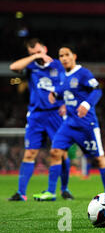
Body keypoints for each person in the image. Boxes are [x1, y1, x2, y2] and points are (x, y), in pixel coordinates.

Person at [33, 45, 105, 201]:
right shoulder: (63, 75)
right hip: (68, 124)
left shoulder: (83, 73)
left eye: (66, 54)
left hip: (86, 125)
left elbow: (97, 90)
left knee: (99, 158)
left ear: (74, 56)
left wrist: (86, 104)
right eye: (61, 55)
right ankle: (50, 191)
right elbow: (65, 90)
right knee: (55, 152)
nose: (63, 58)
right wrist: (55, 94)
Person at [8, 38, 73, 201]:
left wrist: (67, 104)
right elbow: (13, 67)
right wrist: (34, 57)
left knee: (61, 153)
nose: (36, 55)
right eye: (32, 53)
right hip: (36, 116)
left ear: (45, 48)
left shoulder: (58, 65)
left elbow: (70, 84)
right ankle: (21, 193)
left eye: (38, 51)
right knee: (30, 153)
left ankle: (64, 189)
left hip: (56, 114)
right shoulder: (31, 66)